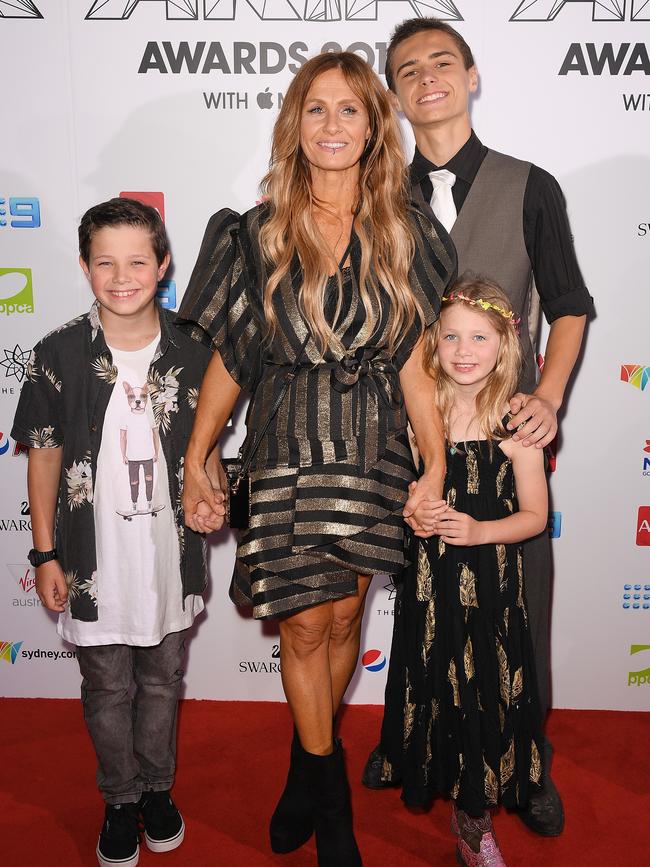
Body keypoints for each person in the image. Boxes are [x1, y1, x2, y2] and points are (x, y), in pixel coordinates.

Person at [178, 51, 455, 865]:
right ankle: (332, 807)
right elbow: (232, 354)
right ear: (294, 126)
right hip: (287, 445)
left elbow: (414, 362)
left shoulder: (408, 233)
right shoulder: (254, 233)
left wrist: (433, 461)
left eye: (349, 110)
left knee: (343, 618)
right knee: (303, 626)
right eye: (316, 110)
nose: (332, 125)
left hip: (374, 452)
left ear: (376, 127)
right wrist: (200, 454)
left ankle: (305, 770)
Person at [363, 18, 594, 837]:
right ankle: (411, 738)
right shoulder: (373, 196)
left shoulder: (530, 185)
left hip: (503, 443)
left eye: (441, 62)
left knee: (521, 605)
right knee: (417, 606)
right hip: (399, 440)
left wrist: (550, 396)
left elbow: (568, 306)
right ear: (393, 94)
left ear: (471, 74)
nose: (426, 78)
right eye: (407, 70)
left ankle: (525, 765)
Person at [12, 198, 212, 867]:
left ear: (163, 264)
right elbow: (42, 459)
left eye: (137, 261)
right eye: (106, 262)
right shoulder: (56, 353)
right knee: (106, 686)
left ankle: (158, 788)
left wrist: (210, 489)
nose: (122, 276)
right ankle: (120, 798)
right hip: (90, 562)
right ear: (84, 266)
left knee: (161, 679)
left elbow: (208, 448)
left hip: (167, 556)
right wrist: (43, 552)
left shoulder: (195, 347)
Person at [391, 277, 548, 865]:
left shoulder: (516, 425)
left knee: (484, 690)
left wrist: (482, 530)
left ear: (504, 345)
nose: (463, 350)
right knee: (434, 682)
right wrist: (416, 510)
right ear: (433, 343)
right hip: (429, 586)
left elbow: (535, 516)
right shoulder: (419, 415)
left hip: (491, 590)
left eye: (479, 337)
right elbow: (405, 493)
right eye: (451, 335)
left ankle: (475, 814)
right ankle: (436, 776)